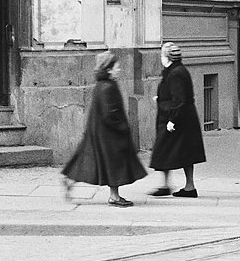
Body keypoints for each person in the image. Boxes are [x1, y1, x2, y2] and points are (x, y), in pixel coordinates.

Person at [61, 50, 147, 207]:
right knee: (114, 163)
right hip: (109, 134)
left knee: (92, 160)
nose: (119, 69)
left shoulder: (103, 85)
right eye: (116, 67)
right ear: (108, 69)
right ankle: (114, 197)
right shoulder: (107, 87)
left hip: (100, 131)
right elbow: (110, 113)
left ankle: (70, 180)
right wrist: (122, 127)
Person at [148, 41, 206, 198]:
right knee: (175, 152)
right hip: (180, 117)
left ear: (167, 57)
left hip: (177, 119)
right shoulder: (175, 71)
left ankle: (188, 187)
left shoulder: (175, 73)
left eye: (162, 54)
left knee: (174, 151)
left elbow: (179, 99)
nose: (161, 57)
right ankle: (178, 186)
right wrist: (160, 98)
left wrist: (172, 120)